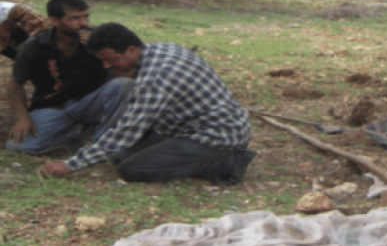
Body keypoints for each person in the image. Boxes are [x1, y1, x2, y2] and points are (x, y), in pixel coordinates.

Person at [40, 23, 256, 184]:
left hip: (216, 134)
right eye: (102, 60)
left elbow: (127, 131)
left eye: (111, 59)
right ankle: (207, 155)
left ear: (131, 50)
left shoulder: (154, 78)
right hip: (192, 126)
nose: (106, 66)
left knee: (132, 170)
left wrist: (70, 165)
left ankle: (229, 163)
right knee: (119, 155)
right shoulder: (162, 49)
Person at [6, 0, 131, 155]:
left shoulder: (100, 38)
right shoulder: (33, 47)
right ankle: (73, 132)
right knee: (18, 146)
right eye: (74, 18)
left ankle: (102, 143)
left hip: (92, 101)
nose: (83, 23)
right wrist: (22, 117)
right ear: (54, 21)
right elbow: (15, 85)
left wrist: (99, 51)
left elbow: (127, 71)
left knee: (123, 86)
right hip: (53, 106)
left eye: (85, 16)